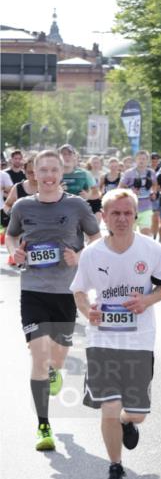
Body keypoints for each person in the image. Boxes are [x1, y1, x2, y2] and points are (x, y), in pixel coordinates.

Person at [71, 189, 161, 479]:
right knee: (110, 407)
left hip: (139, 340)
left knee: (136, 412)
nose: (122, 219)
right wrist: (87, 311)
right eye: (115, 213)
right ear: (104, 217)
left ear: (135, 215)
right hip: (102, 340)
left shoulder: (150, 249)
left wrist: (147, 301)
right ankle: (115, 467)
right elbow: (78, 290)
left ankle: (129, 423)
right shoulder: (92, 253)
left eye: (128, 213)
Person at [6, 150, 100, 451]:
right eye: (42, 170)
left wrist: (79, 256)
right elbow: (11, 236)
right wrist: (16, 252)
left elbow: (97, 239)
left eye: (53, 171)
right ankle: (43, 425)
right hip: (33, 289)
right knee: (38, 354)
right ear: (33, 173)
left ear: (62, 173)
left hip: (67, 291)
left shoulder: (76, 205)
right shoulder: (22, 206)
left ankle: (55, 370)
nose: (47, 176)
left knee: (57, 356)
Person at [120, 150, 158, 236]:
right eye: (139, 159)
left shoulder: (151, 172)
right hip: (131, 208)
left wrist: (153, 192)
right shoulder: (129, 173)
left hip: (146, 207)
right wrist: (130, 191)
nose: (141, 161)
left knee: (146, 233)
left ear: (147, 160)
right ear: (135, 160)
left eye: (144, 159)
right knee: (130, 234)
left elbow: (155, 185)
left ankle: (144, 249)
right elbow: (120, 188)